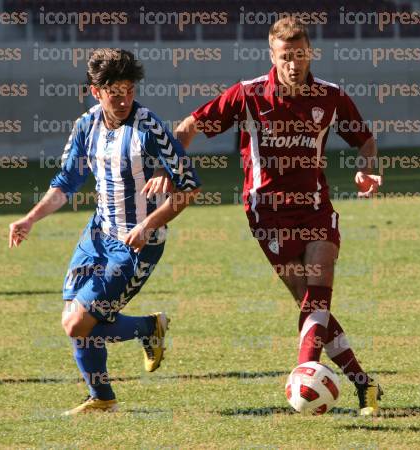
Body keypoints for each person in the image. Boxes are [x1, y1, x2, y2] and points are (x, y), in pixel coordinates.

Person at [161, 17, 384, 415]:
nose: (294, 64)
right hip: (267, 217)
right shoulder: (247, 95)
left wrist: (368, 168)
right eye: (286, 56)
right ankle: (363, 384)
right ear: (272, 55)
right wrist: (169, 170)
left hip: (316, 209)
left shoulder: (330, 96)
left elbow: (364, 138)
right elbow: (187, 128)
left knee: (317, 292)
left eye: (300, 55)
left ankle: (305, 376)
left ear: (310, 52)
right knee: (309, 304)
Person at [8, 48, 200, 415]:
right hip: (97, 235)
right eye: (115, 92)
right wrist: (30, 218)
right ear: (96, 92)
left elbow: (188, 187)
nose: (124, 98)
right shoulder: (87, 125)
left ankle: (146, 330)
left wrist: (148, 224)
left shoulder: (149, 128)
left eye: (129, 89)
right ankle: (104, 397)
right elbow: (66, 182)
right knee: (73, 319)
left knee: (80, 323)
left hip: (135, 245)